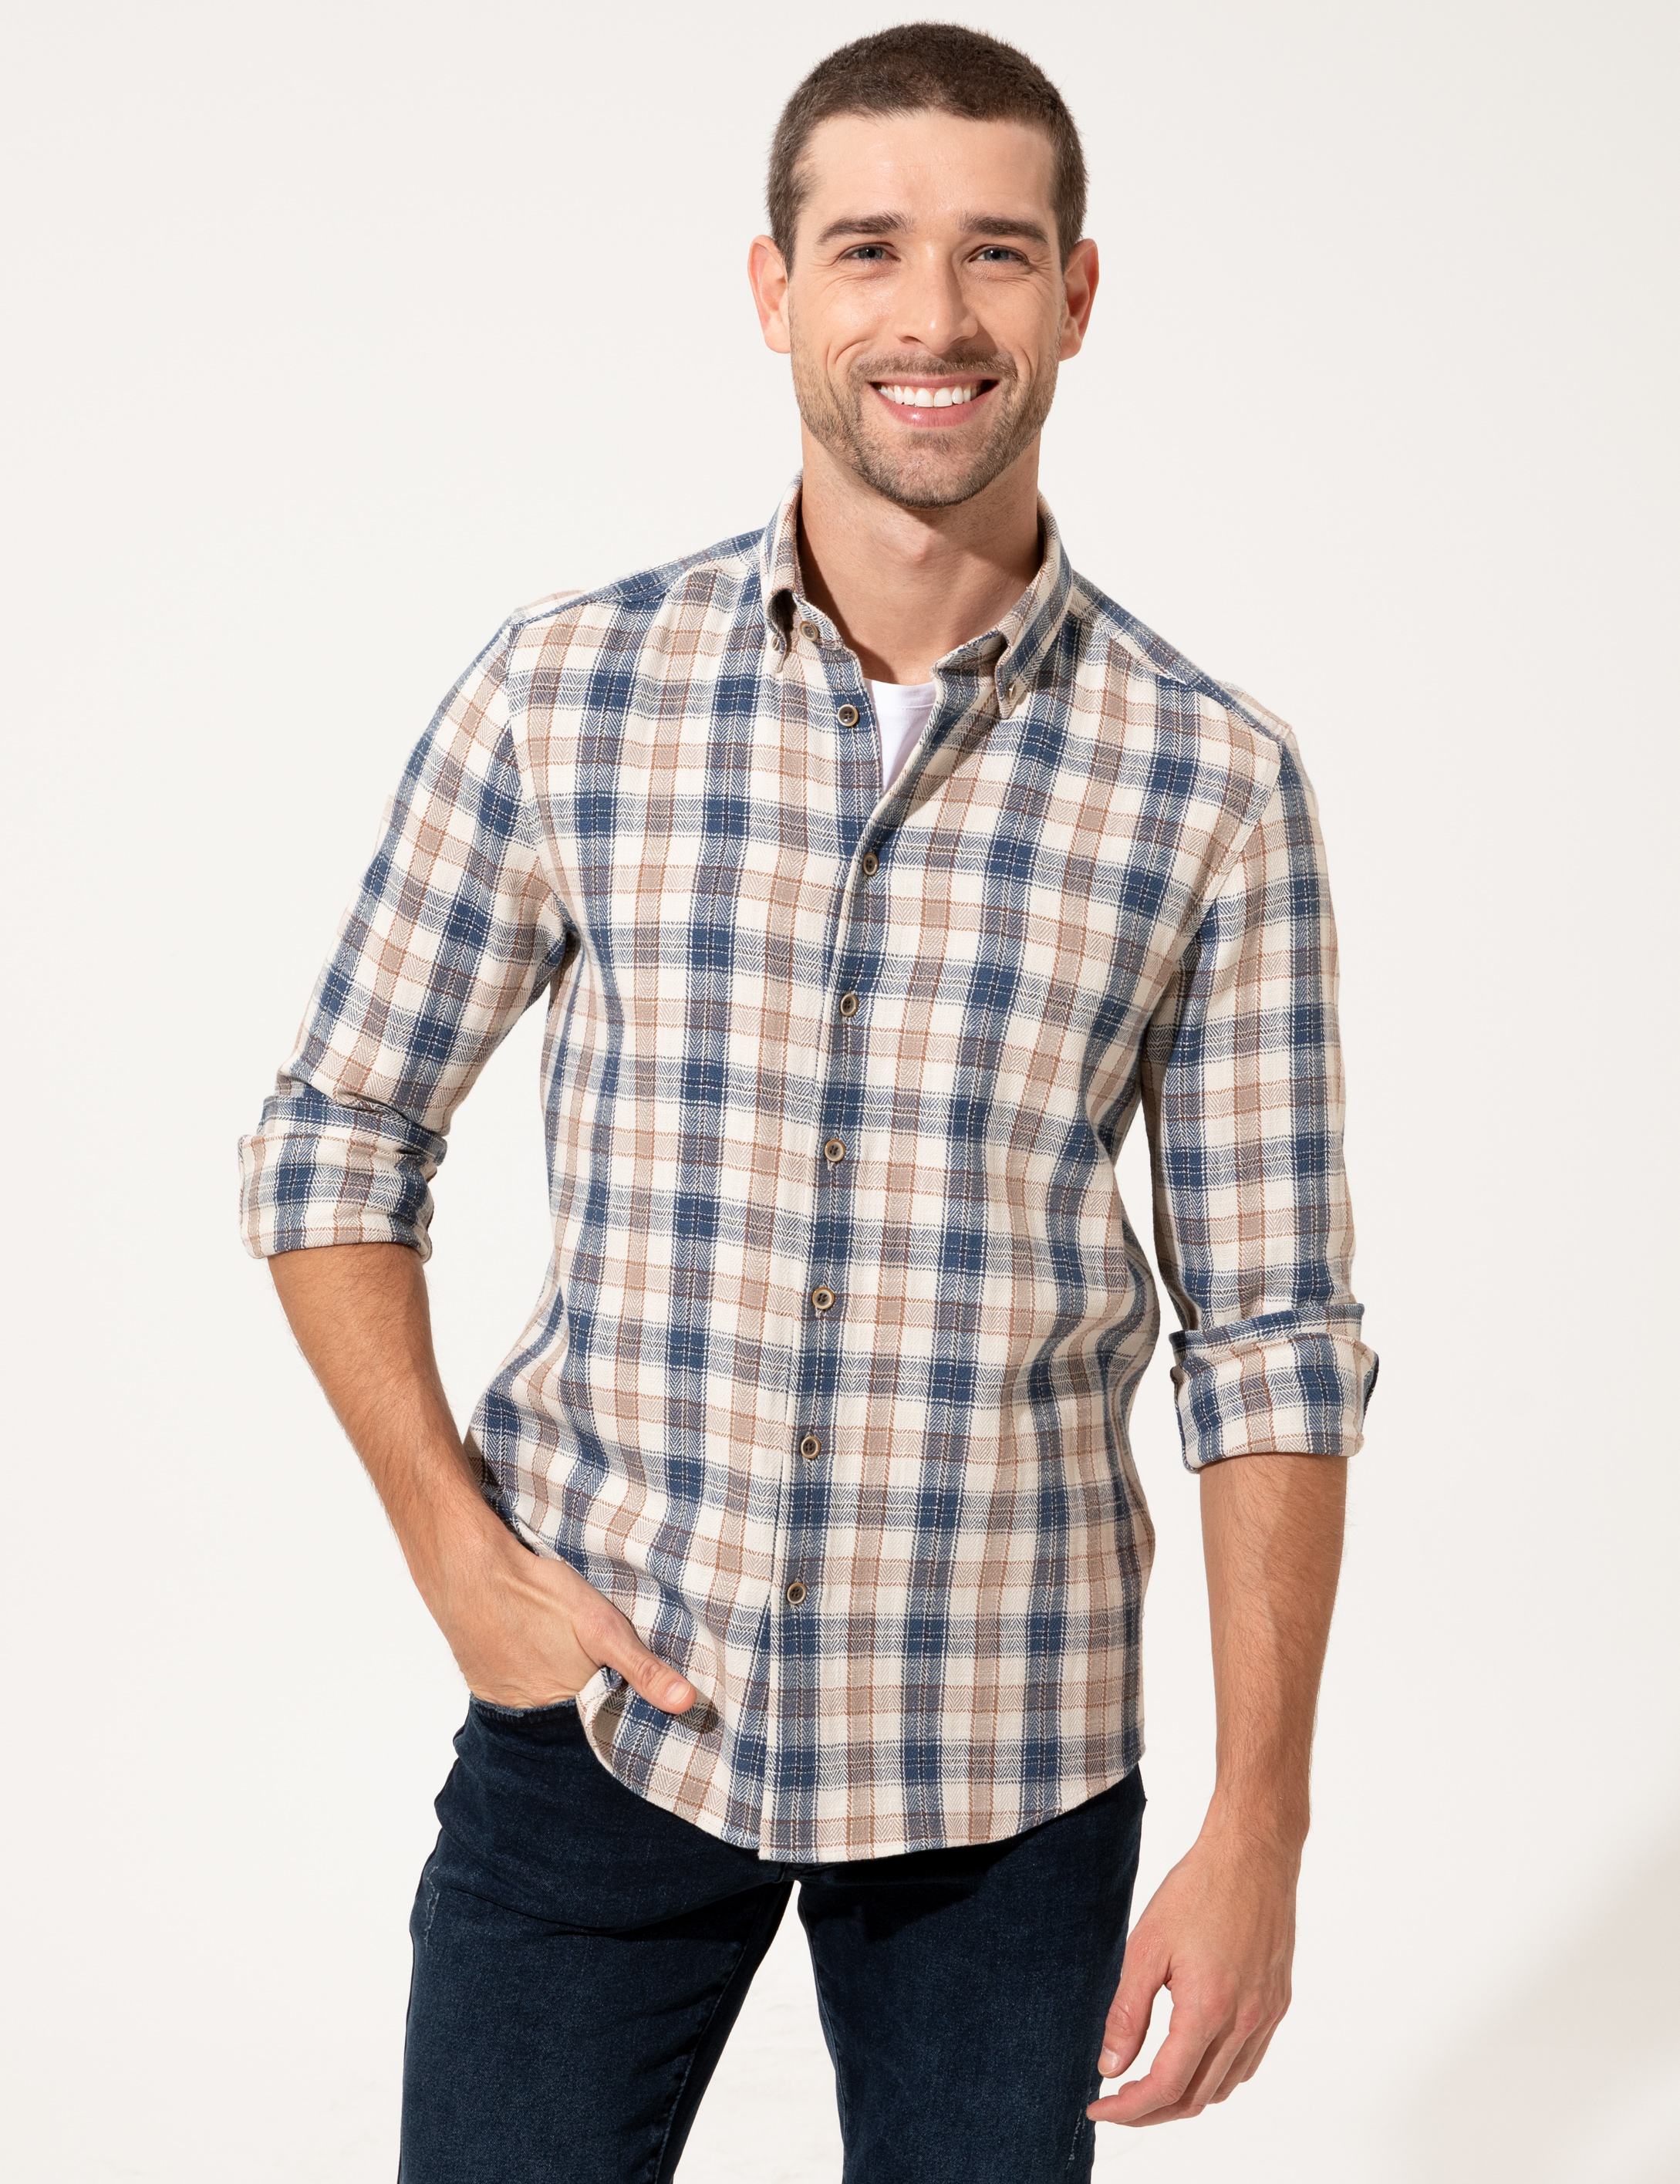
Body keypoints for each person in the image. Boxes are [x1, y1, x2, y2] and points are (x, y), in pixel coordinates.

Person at [239, 23, 1377, 2182]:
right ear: (774, 290)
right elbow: (333, 1137)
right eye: (868, 248)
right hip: (599, 1714)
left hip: (1005, 1772)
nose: (931, 316)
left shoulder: (1211, 782)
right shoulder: (568, 693)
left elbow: (1270, 1342)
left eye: (995, 252)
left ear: (1077, 295)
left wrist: (1261, 1825)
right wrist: (452, 1550)